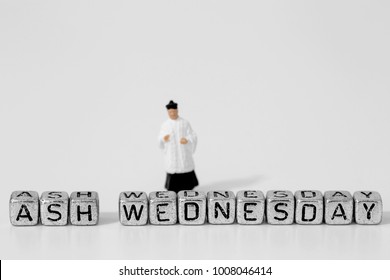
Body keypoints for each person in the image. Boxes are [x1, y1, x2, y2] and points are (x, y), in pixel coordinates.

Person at [158, 100, 199, 192]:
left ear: (177, 111)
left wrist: (187, 139)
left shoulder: (185, 123)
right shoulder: (165, 125)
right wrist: (164, 138)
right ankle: (173, 189)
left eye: (174, 111)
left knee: (185, 168)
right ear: (167, 112)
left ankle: (188, 187)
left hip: (183, 152)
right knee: (173, 171)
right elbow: (160, 137)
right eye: (170, 112)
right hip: (172, 153)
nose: (172, 114)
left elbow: (193, 135)